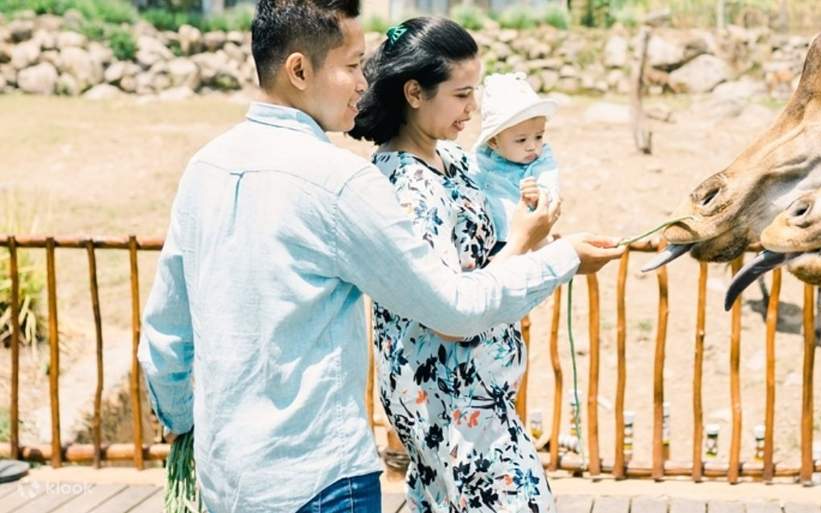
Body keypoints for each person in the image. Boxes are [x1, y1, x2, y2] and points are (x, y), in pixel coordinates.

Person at [136, 1, 623, 511]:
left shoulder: (204, 168)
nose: (365, 83)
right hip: (322, 480)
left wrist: (184, 425)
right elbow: (452, 308)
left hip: (226, 480)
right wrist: (560, 256)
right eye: (351, 66)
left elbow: (166, 340)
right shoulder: (339, 182)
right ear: (299, 70)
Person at [346, 17, 566, 512]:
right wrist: (531, 244)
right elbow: (449, 314)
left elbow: (485, 255)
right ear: (415, 93)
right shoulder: (408, 189)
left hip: (470, 399)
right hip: (452, 403)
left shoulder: (451, 159)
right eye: (462, 94)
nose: (475, 109)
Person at [470, 72, 560, 249]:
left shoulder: (541, 160)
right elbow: (470, 178)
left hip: (525, 237)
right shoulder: (481, 157)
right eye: (521, 140)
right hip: (486, 235)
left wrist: (538, 195)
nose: (532, 146)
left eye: (539, 136)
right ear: (494, 142)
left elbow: (549, 185)